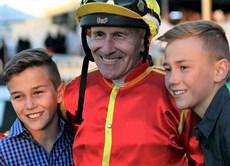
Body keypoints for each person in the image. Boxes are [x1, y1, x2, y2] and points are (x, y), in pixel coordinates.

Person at [61, 0, 204, 165]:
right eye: (99, 34)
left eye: (119, 35)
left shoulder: (176, 92)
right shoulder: (73, 91)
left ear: (145, 40)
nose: (107, 49)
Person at [158, 20, 230, 165]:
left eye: (184, 67)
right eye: (168, 69)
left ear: (219, 70)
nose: (172, 80)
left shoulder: (226, 127)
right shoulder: (210, 124)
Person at [0, 48, 74, 165]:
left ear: (59, 93)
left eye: (38, 92)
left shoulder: (79, 139)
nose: (29, 105)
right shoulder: (3, 154)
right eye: (18, 96)